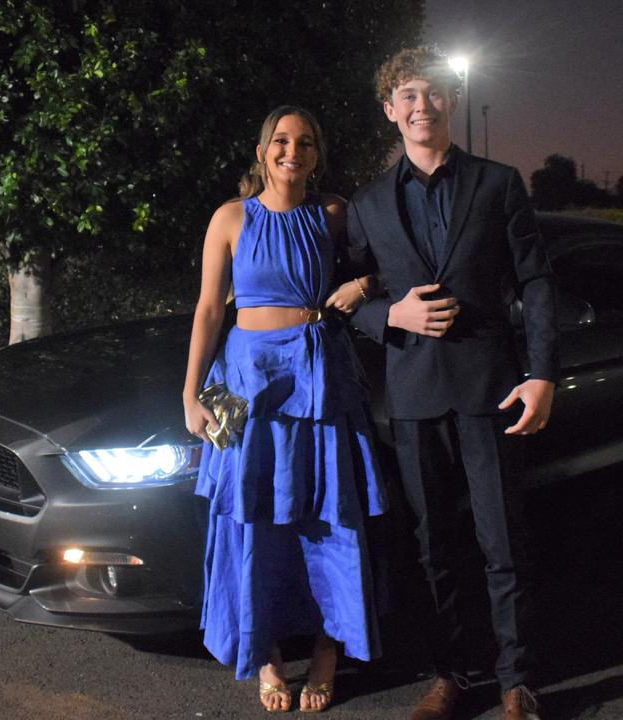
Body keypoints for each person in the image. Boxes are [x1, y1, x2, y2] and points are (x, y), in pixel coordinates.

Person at [344, 47, 559, 720]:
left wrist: (543, 373)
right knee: (433, 551)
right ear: (390, 110)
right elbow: (343, 297)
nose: (422, 105)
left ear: (452, 102)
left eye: (434, 93)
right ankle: (451, 675)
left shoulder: (499, 183)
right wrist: (390, 315)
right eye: (408, 95)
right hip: (412, 397)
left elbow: (537, 280)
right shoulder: (369, 203)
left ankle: (516, 681)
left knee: (503, 544)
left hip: (490, 388)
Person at [182, 105, 387, 713]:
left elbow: (392, 265)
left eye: (304, 142)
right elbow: (210, 310)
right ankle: (266, 654)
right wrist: (191, 392)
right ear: (262, 149)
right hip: (245, 382)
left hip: (321, 374)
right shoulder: (229, 218)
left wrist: (364, 286)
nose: (291, 150)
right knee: (252, 517)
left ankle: (327, 652)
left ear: (317, 154)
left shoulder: (333, 214)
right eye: (280, 140)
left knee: (329, 513)